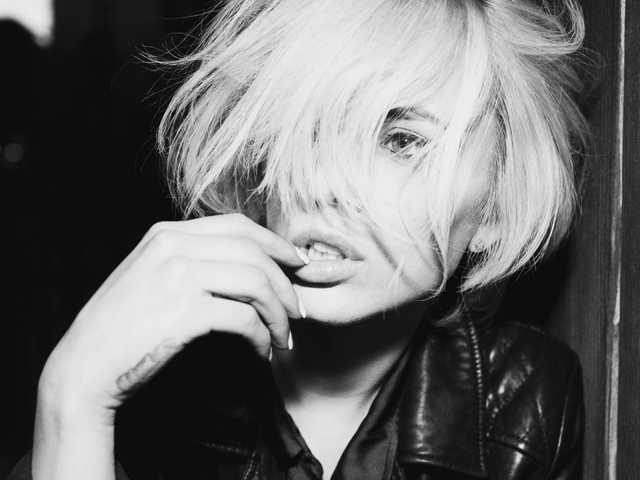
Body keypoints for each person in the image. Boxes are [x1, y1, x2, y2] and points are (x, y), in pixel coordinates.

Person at [8, 0, 590, 478]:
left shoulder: (520, 400)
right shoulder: (162, 389)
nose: (322, 183)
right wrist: (70, 399)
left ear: (495, 207)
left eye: (402, 141)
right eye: (307, 129)